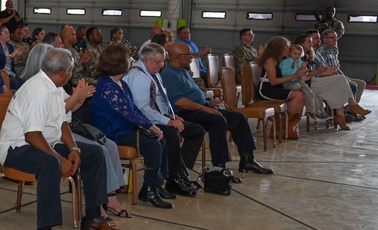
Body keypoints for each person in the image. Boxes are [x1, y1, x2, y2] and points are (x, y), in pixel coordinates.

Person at [0, 46, 126, 230]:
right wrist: (60, 158)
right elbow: (32, 136)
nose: (72, 74)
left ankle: (93, 216)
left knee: (94, 152)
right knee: (50, 164)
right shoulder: (37, 90)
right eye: (71, 71)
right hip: (16, 147)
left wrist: (73, 149)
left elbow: (61, 122)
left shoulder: (54, 86)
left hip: (43, 141)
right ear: (64, 72)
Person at [163, 42, 272, 177]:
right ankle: (219, 167)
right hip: (184, 113)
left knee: (239, 118)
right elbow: (179, 101)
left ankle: (247, 160)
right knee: (217, 120)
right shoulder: (169, 74)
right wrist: (204, 108)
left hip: (199, 108)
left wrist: (210, 103)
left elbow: (193, 96)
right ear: (177, 57)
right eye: (188, 54)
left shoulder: (182, 71)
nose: (192, 57)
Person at [91, 44, 174, 209]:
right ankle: (149, 190)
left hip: (124, 127)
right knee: (152, 145)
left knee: (161, 140)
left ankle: (154, 185)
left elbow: (133, 109)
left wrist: (151, 126)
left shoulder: (120, 83)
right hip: (112, 132)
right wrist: (150, 126)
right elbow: (127, 114)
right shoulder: (108, 86)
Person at [122, 43, 205, 197]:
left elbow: (161, 99)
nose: (161, 66)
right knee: (171, 132)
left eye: (162, 62)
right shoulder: (137, 76)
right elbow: (143, 109)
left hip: (155, 116)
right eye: (158, 62)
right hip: (139, 121)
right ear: (146, 60)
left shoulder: (153, 72)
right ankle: (172, 178)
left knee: (196, 130)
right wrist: (167, 122)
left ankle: (179, 171)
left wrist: (170, 115)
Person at [257, 36, 308, 139]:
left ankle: (285, 126)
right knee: (298, 96)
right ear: (279, 48)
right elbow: (273, 81)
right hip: (266, 90)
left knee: (303, 93)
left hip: (275, 87)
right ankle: (284, 127)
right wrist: (296, 75)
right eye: (286, 47)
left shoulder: (280, 59)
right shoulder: (270, 59)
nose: (289, 50)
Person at [279, 43, 327, 119]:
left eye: (299, 54)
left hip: (298, 81)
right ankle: (310, 110)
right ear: (290, 53)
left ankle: (311, 110)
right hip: (288, 81)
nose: (297, 56)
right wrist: (296, 69)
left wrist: (304, 69)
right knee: (300, 89)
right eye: (295, 54)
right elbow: (284, 74)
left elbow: (304, 74)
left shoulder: (300, 62)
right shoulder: (285, 62)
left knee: (310, 93)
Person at [0, 25, 24, 90]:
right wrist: (11, 55)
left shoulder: (10, 46)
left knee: (23, 82)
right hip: (1, 73)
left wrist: (17, 56)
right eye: (6, 33)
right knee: (15, 83)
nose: (9, 34)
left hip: (10, 72)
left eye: (9, 32)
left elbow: (13, 63)